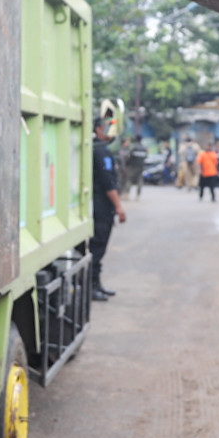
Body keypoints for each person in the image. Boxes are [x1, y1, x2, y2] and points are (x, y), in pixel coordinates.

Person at [91, 115, 127, 301]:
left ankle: (97, 285)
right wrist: (119, 207)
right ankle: (92, 287)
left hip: (100, 207)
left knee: (99, 249)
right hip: (101, 207)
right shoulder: (100, 151)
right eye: (106, 126)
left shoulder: (100, 149)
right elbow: (108, 183)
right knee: (96, 248)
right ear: (98, 129)